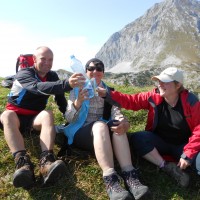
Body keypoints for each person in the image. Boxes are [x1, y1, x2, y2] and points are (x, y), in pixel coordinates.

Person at [97, 66, 200, 188]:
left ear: (178, 85)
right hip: (160, 142)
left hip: (184, 146)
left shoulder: (191, 101)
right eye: (159, 81)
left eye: (165, 82)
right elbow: (132, 101)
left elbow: (198, 129)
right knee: (139, 138)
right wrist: (107, 94)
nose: (160, 84)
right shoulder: (153, 96)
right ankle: (167, 167)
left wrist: (188, 154)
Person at [62, 58, 149, 200]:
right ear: (85, 72)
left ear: (103, 73)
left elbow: (116, 112)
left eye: (99, 68)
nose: (95, 71)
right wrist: (78, 102)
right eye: (91, 68)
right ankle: (110, 179)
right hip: (81, 132)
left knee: (116, 126)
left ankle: (130, 175)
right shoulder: (76, 90)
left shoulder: (108, 91)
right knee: (100, 125)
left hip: (103, 135)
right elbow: (69, 118)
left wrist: (123, 123)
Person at [0, 46, 85, 189]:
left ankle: (47, 161)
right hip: (15, 118)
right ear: (34, 60)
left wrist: (68, 117)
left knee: (48, 114)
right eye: (43, 59)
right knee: (7, 114)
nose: (47, 62)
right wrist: (66, 84)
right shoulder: (24, 73)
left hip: (34, 119)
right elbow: (37, 87)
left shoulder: (52, 76)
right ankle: (22, 163)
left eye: (50, 60)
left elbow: (60, 99)